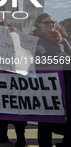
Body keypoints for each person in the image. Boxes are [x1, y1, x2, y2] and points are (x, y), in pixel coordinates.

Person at [31, 13, 71, 147]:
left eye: (53, 22)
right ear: (38, 24)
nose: (51, 25)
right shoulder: (31, 38)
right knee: (45, 115)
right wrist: (32, 49)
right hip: (43, 82)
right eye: (47, 22)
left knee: (69, 112)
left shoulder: (62, 39)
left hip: (64, 80)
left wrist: (66, 57)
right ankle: (44, 144)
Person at [0, 22, 27, 147]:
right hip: (1, 78)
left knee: (17, 108)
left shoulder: (18, 40)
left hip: (15, 79)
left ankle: (21, 138)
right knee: (2, 106)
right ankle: (3, 134)